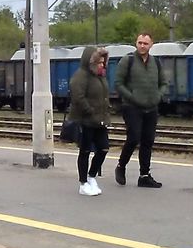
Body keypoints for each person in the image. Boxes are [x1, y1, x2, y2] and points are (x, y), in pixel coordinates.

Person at [114, 32, 164, 188]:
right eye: (140, 43)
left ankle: (144, 176)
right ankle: (121, 166)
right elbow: (118, 83)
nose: (142, 46)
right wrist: (132, 97)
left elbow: (163, 83)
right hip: (132, 107)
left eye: (145, 43)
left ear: (151, 45)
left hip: (151, 107)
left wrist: (158, 96)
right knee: (134, 137)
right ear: (136, 43)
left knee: (148, 141)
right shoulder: (127, 60)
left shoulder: (156, 62)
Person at [68, 46, 110, 196]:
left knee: (103, 148)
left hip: (100, 120)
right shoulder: (81, 76)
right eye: (99, 62)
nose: (102, 65)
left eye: (103, 62)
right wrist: (90, 111)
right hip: (85, 120)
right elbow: (78, 97)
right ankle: (83, 183)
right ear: (90, 61)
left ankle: (92, 176)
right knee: (85, 151)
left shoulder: (100, 76)